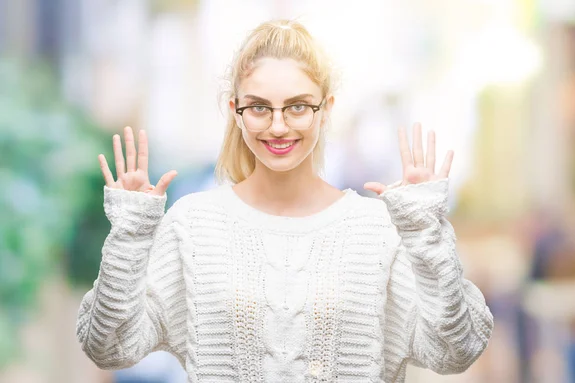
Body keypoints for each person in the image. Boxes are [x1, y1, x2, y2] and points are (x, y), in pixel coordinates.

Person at [76, 19, 493, 383]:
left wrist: (425, 231)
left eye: (296, 107)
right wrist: (130, 234)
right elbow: (110, 347)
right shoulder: (193, 224)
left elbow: (457, 349)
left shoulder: (379, 230)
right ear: (235, 110)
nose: (278, 127)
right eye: (259, 107)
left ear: (325, 110)